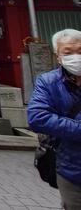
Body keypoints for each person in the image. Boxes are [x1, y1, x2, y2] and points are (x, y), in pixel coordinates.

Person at [28, 28, 81, 206]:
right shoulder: (48, 82)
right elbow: (37, 117)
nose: (76, 56)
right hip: (72, 167)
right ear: (58, 56)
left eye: (80, 51)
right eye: (68, 52)